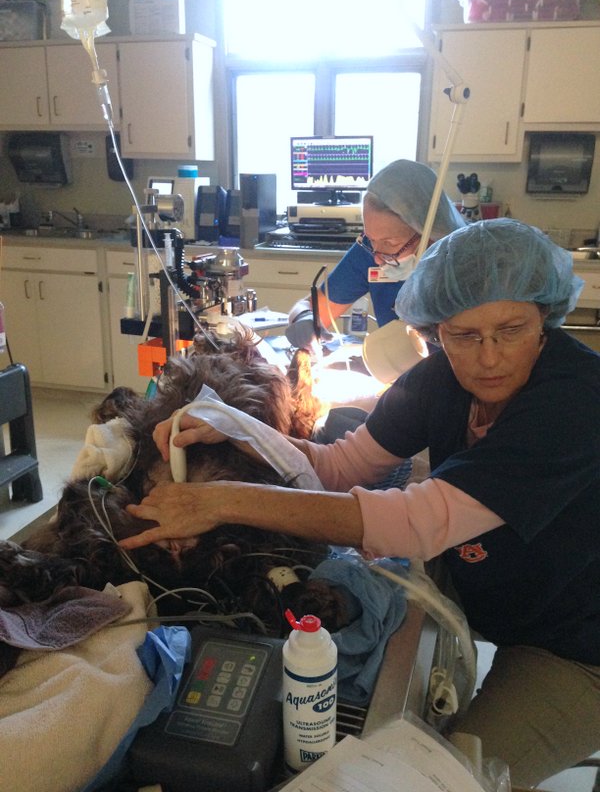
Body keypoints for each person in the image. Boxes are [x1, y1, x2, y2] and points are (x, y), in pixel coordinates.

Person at [120, 218, 600, 788]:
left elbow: (419, 524)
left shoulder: (576, 400)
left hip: (578, 647)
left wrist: (221, 501)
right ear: (434, 328)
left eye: (511, 329)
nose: (489, 357)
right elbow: (339, 466)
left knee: (458, 777)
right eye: (464, 335)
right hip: (512, 596)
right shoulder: (442, 379)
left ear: (544, 316)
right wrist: (241, 428)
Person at [285, 158, 465, 351]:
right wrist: (304, 318)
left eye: (390, 243)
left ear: (430, 233)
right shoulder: (369, 252)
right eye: (371, 238)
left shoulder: (465, 260)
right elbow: (309, 307)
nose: (378, 258)